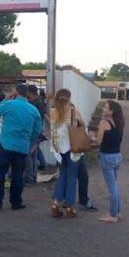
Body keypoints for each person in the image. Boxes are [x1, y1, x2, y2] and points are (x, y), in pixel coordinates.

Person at [0, 84, 42, 211]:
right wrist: (29, 142)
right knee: (18, 175)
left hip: (6, 144)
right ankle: (16, 202)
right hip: (22, 147)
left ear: (15, 92)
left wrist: (6, 99)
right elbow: (37, 130)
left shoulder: (9, 104)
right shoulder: (33, 110)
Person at [49, 89, 86, 218]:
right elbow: (83, 126)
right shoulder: (73, 112)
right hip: (73, 149)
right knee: (72, 177)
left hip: (59, 149)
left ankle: (56, 203)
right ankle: (70, 206)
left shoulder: (53, 112)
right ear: (69, 98)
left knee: (62, 175)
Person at [93, 100, 125, 223]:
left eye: (106, 108)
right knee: (114, 185)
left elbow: (98, 142)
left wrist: (92, 137)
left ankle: (112, 215)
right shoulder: (119, 123)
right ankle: (117, 211)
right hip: (117, 156)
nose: (103, 109)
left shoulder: (104, 123)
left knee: (112, 187)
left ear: (111, 111)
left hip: (107, 157)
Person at [25, 85, 48, 186]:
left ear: (30, 92)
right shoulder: (40, 102)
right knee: (33, 155)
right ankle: (33, 175)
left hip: (33, 132)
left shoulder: (35, 104)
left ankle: (29, 177)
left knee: (27, 155)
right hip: (36, 132)